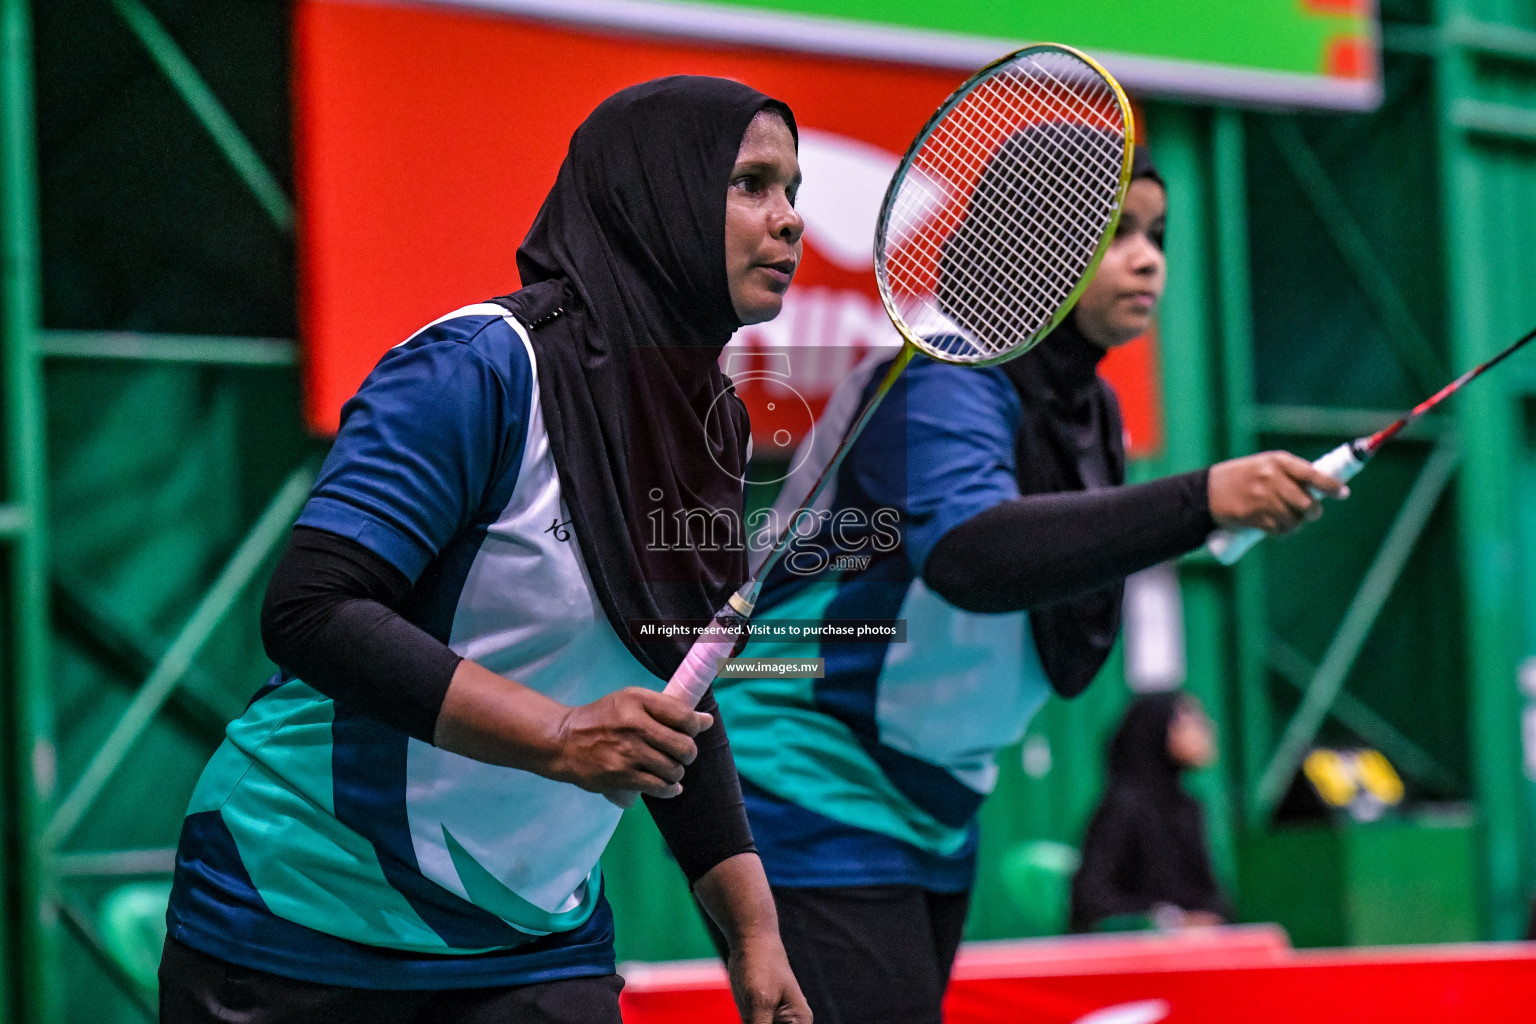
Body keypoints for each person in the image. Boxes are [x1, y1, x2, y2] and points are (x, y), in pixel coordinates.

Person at [158, 77, 811, 1024]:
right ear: (656, 193)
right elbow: (312, 609)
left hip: (534, 940)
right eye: (753, 183)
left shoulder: (714, 425)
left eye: (795, 191)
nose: (790, 221)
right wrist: (558, 735)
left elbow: (680, 692)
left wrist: (752, 934)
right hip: (299, 917)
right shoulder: (478, 366)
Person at [712, 141, 1344, 1024]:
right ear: (1029, 244)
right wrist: (1201, 499)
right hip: (807, 770)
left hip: (935, 794)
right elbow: (971, 553)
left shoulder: (1091, 408)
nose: (1148, 257)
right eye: (1114, 231)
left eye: (1157, 234)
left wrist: (1207, 517)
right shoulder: (942, 375)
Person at [1070, 691, 1229, 932]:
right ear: (1155, 730)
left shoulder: (1187, 809)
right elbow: (1090, 899)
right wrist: (1168, 920)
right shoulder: (1123, 808)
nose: (1205, 730)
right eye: (1189, 722)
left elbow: (1211, 897)